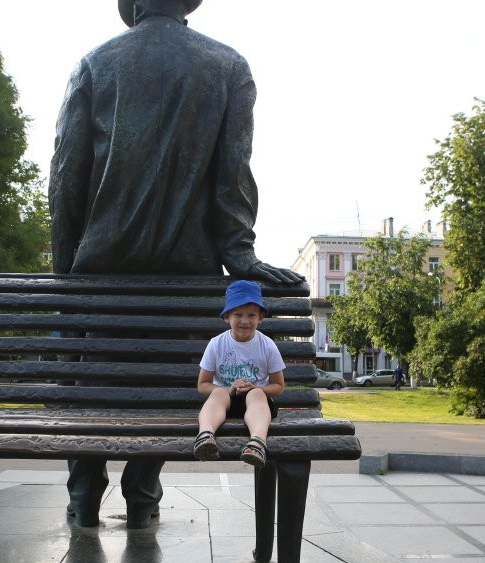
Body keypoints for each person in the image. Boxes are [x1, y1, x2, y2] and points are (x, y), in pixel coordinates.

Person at [49, 0, 302, 529]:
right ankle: (142, 495)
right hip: (187, 267)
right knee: (163, 381)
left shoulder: (94, 63)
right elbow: (233, 173)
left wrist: (65, 273)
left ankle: (83, 495)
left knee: (90, 386)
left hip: (100, 264)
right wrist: (239, 255)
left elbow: (67, 175)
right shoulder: (227, 65)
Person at [193, 281, 285, 467]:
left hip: (258, 405)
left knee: (256, 394)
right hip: (226, 404)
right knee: (217, 392)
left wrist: (256, 387)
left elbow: (278, 386)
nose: (245, 321)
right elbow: (203, 385)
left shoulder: (267, 345)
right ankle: (205, 436)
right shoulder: (217, 343)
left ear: (261, 317)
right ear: (227, 317)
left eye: (251, 315)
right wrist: (228, 389)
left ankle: (257, 442)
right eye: (238, 314)